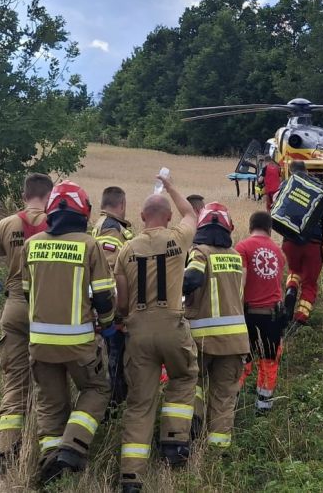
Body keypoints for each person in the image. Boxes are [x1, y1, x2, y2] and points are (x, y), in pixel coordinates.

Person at [24, 181, 117, 485]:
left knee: (50, 404)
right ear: (83, 211)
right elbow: (103, 295)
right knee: (97, 389)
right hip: (78, 343)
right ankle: (72, 449)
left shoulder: (32, 244)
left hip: (40, 344)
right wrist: (108, 323)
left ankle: (50, 463)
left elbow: (27, 293)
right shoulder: (89, 245)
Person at [113, 173, 199, 493]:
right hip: (173, 325)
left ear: (140, 217)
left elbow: (121, 300)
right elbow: (192, 214)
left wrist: (125, 318)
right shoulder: (178, 238)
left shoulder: (125, 249)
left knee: (140, 402)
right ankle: (174, 444)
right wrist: (171, 184)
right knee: (184, 376)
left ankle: (131, 476)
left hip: (138, 331)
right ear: (167, 217)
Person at [0, 173, 52, 462]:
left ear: (23, 194)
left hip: (15, 306)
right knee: (51, 381)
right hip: (50, 312)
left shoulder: (7, 224)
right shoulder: (57, 223)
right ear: (50, 196)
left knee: (16, 381)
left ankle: (8, 449)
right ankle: (49, 450)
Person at [185, 202, 250, 450]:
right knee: (224, 397)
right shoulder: (234, 257)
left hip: (201, 338)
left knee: (194, 384)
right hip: (234, 341)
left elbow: (192, 278)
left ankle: (194, 423)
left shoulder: (199, 253)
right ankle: (217, 452)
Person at [235, 211, 287, 413]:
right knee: (268, 364)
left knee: (240, 363)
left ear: (250, 227)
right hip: (273, 317)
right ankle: (263, 410)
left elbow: (241, 283)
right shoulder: (278, 252)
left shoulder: (242, 247)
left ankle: (229, 409)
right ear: (270, 228)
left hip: (248, 315)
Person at [90, 186, 136, 407]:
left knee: (112, 360)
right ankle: (115, 406)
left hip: (103, 307)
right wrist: (117, 312)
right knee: (116, 362)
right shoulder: (112, 229)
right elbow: (109, 270)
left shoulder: (99, 225)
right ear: (122, 204)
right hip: (113, 309)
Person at [281, 161, 323, 325]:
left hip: (289, 241)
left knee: (294, 269)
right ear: (306, 170)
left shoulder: (286, 186)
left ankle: (291, 289)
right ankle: (300, 318)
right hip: (313, 243)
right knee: (310, 283)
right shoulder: (318, 189)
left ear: (290, 171)